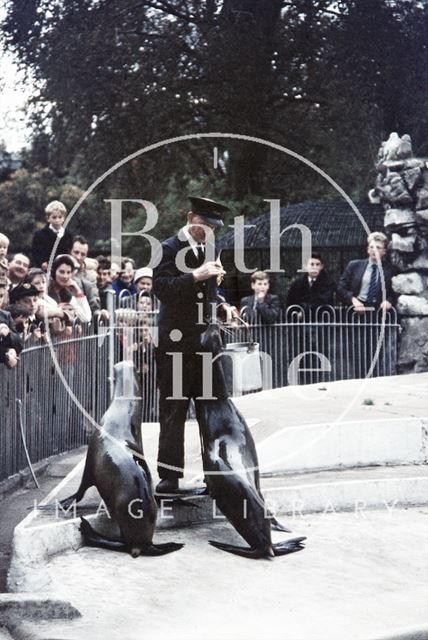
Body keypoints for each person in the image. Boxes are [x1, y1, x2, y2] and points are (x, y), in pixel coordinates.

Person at [153, 195, 227, 493]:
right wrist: (195, 275)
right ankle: (170, 475)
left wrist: (222, 305)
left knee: (212, 408)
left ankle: (217, 473)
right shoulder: (167, 248)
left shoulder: (211, 249)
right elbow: (162, 288)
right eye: (204, 225)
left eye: (213, 227)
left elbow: (210, 292)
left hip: (205, 344)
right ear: (190, 218)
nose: (208, 232)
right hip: (176, 343)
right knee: (174, 409)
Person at [337, 232, 396, 312]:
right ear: (368, 250)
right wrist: (353, 300)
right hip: (356, 310)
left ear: (384, 251)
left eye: (378, 247)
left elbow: (395, 292)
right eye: (372, 247)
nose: (374, 250)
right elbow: (341, 288)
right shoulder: (354, 265)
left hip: (379, 312)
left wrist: (389, 301)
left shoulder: (390, 270)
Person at [48, 254, 92, 323]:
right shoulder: (45, 290)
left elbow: (86, 318)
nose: (65, 276)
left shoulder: (67, 294)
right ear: (53, 272)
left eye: (68, 272)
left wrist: (78, 292)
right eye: (62, 272)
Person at [31, 201, 73, 269]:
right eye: (54, 217)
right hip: (45, 268)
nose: (57, 220)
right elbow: (35, 253)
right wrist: (41, 263)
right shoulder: (39, 235)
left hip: (63, 268)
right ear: (48, 218)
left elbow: (70, 252)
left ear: (64, 218)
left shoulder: (68, 235)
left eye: (60, 217)